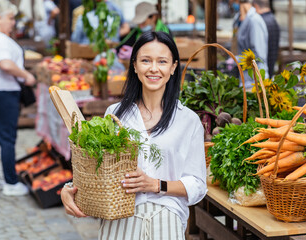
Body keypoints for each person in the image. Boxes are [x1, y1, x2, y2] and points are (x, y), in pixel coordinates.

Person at [61, 31, 207, 239]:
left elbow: (198, 184)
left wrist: (156, 185)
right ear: (135, 66)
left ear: (173, 67)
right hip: (120, 216)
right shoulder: (115, 115)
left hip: (166, 215)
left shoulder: (188, 120)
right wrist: (69, 189)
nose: (154, 68)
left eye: (162, 61)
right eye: (146, 60)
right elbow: (97, 169)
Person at [0, 0, 36, 196]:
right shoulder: (0, 39)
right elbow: (5, 64)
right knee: (7, 138)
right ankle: (11, 182)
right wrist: (26, 75)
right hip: (4, 92)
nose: (13, 22)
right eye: (10, 18)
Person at [229, 0, 269, 88]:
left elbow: (259, 55)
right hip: (243, 79)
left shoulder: (255, 21)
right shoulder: (237, 19)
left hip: (254, 81)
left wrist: (236, 60)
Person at [253, 0, 280, 78]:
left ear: (256, 6)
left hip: (262, 72)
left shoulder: (260, 21)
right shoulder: (273, 19)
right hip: (269, 68)